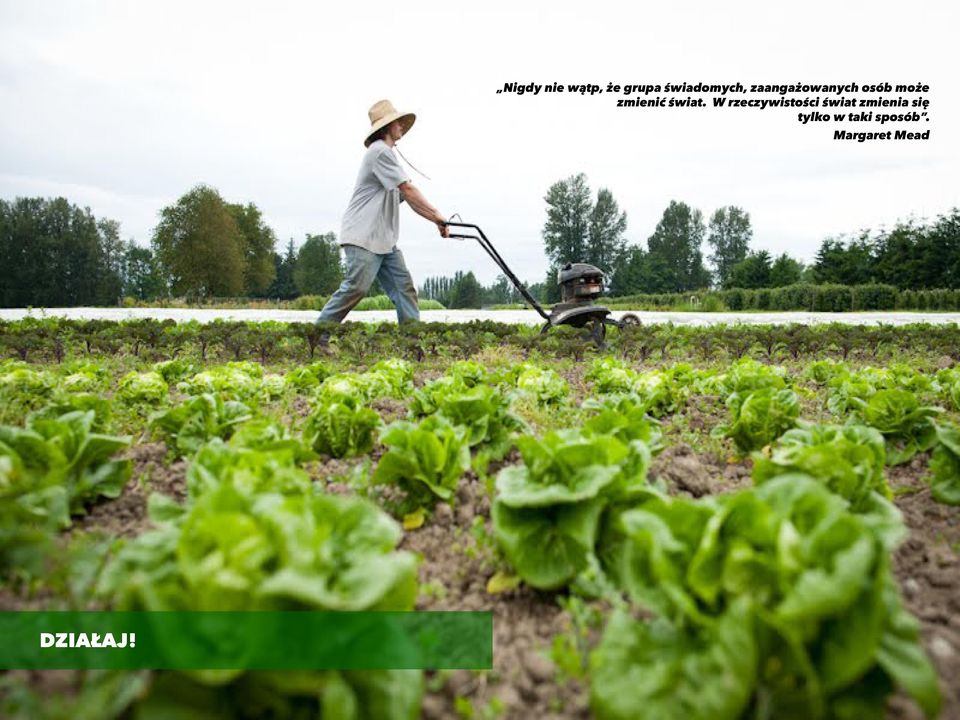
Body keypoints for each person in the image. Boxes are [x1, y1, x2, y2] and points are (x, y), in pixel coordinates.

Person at [316, 99, 449, 326]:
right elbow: (407, 189)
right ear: (386, 127)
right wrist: (437, 214)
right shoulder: (379, 152)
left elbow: (407, 197)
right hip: (363, 236)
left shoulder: (388, 156)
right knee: (355, 288)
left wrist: (435, 220)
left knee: (403, 287)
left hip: (384, 240)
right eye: (397, 122)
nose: (401, 127)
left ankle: (412, 340)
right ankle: (317, 335)